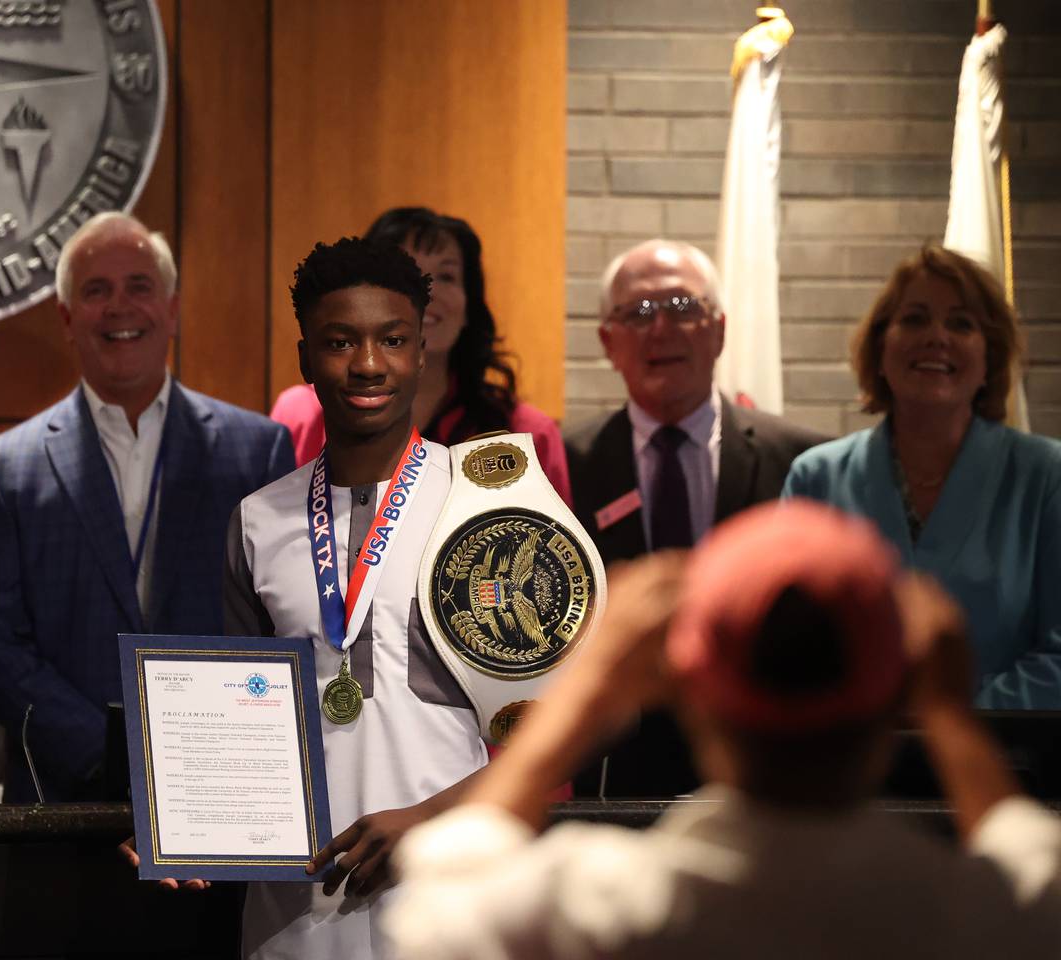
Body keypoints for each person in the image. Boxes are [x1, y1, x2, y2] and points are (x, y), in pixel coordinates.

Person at [385, 501, 1061, 960]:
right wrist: (948, 712)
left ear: (692, 697)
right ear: (898, 694)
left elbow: (433, 906)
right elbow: (1035, 857)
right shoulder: (978, 917)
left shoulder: (594, 908)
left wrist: (587, 685)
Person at [0, 211, 294, 802]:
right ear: (66, 318)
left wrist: (196, 752)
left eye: (139, 286)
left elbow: (280, 625)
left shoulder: (257, 452)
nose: (119, 307)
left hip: (219, 795)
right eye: (95, 291)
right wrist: (113, 755)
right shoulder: (3, 468)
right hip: (60, 801)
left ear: (172, 310)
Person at [224, 237, 488, 958]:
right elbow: (238, 717)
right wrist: (181, 820)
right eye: (340, 342)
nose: (368, 364)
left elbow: (555, 732)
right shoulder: (257, 519)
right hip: (296, 906)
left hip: (451, 894)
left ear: (422, 351)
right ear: (307, 357)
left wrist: (430, 818)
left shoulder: (486, 507)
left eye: (393, 340)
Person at [784, 246, 1061, 710]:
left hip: (1009, 764)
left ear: (989, 358)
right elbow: (787, 642)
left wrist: (952, 721)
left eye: (961, 324)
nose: (937, 337)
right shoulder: (815, 478)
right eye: (914, 319)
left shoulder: (1047, 477)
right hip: (843, 765)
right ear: (881, 346)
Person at [270, 207, 572, 504]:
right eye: (409, 272)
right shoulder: (301, 415)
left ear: (470, 305)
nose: (426, 293)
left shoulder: (527, 433)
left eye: (446, 276)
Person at [566, 239, 824, 565]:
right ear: (608, 343)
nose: (661, 330)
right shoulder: (565, 466)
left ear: (719, 332)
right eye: (639, 313)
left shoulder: (800, 462)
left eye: (683, 307)